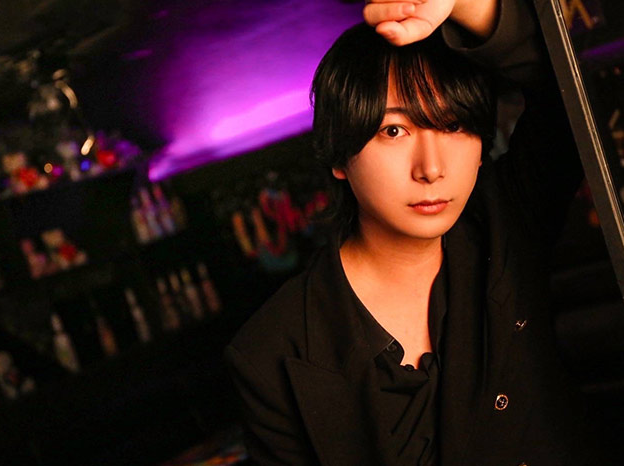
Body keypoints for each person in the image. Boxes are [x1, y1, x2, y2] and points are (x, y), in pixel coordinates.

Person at [225, 0, 607, 464]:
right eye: (393, 131)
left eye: (453, 125)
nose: (431, 168)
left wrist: (467, 7)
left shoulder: (505, 219)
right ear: (338, 153)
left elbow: (571, 83)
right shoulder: (271, 351)